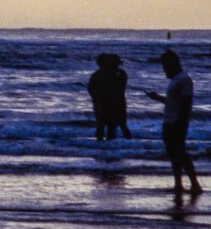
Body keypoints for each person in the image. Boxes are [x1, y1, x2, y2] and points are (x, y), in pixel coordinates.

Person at [144, 49, 202, 194]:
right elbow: (173, 102)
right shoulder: (175, 80)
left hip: (176, 122)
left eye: (165, 65)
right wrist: (156, 97)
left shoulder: (184, 79)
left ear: (173, 64)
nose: (164, 69)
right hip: (169, 121)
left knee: (180, 153)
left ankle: (194, 184)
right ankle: (178, 184)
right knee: (173, 154)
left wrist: (181, 122)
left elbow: (186, 103)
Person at [87, 53, 131, 140]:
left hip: (114, 104)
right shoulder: (99, 74)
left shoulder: (119, 74)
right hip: (108, 103)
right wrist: (97, 100)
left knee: (113, 126)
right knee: (105, 127)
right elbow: (91, 89)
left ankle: (109, 146)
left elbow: (91, 89)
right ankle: (111, 146)